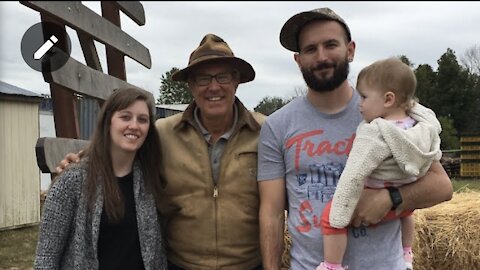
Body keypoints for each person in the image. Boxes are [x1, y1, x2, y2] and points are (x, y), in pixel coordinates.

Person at [257, 7, 453, 270]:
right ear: (298, 60)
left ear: (350, 50)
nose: (321, 56)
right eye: (310, 49)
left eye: (330, 45)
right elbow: (271, 213)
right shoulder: (277, 125)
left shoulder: (388, 113)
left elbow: (442, 186)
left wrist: (391, 199)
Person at [56, 33, 266, 270]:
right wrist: (79, 161)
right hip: (180, 265)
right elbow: (117, 145)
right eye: (203, 79)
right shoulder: (162, 133)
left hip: (248, 266)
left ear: (236, 81)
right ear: (191, 85)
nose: (213, 87)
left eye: (223, 77)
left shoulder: (266, 132)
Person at [318, 57, 443, 270]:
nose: (360, 104)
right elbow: (434, 156)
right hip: (402, 205)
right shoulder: (421, 125)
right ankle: (406, 253)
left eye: (365, 97)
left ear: (388, 99)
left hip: (377, 193)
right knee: (409, 213)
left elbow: (354, 173)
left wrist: (341, 210)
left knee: (330, 219)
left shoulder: (375, 132)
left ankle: (332, 265)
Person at [34, 87, 167, 269]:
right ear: (108, 122)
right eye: (125, 117)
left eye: (142, 120)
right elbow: (46, 257)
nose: (134, 125)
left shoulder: (150, 180)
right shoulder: (72, 181)